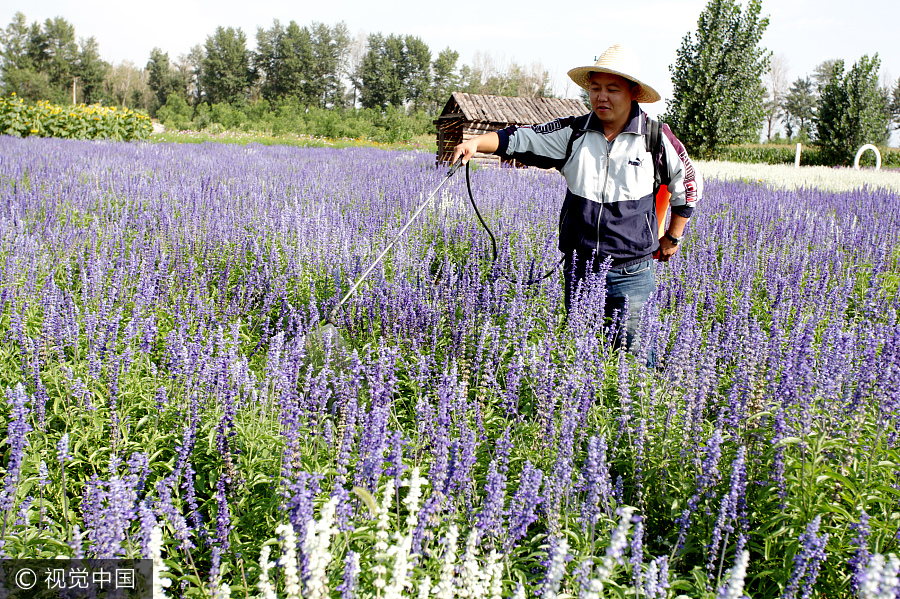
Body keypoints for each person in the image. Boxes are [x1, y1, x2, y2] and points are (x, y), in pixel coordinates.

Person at [451, 43, 702, 354]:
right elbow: (519, 138)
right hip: (580, 268)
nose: (602, 96)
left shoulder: (654, 137)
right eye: (595, 88)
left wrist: (673, 238)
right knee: (578, 359)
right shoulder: (573, 132)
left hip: (631, 273)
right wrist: (476, 143)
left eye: (613, 89)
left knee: (635, 365)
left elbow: (688, 183)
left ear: (634, 92)